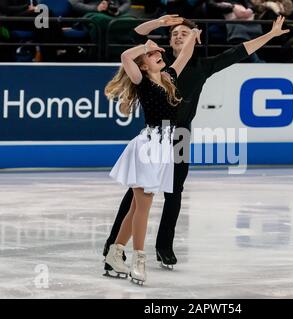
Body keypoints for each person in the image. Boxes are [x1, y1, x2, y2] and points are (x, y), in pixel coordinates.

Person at [103, 15, 290, 271]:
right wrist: (159, 23)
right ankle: (115, 245)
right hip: (158, 135)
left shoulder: (203, 65)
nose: (178, 35)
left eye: (184, 32)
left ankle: (164, 247)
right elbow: (135, 37)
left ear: (194, 38)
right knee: (137, 195)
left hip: (180, 136)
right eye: (174, 33)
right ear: (168, 41)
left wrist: (269, 35)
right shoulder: (161, 64)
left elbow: (240, 51)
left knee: (174, 190)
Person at [103, 29, 201, 285]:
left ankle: (115, 253)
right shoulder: (142, 81)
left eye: (159, 52)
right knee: (143, 206)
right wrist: (145, 46)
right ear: (143, 65)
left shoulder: (167, 77)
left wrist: (193, 35)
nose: (159, 54)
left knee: (137, 206)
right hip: (148, 146)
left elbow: (185, 55)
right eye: (152, 55)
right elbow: (126, 57)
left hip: (165, 147)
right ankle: (138, 259)